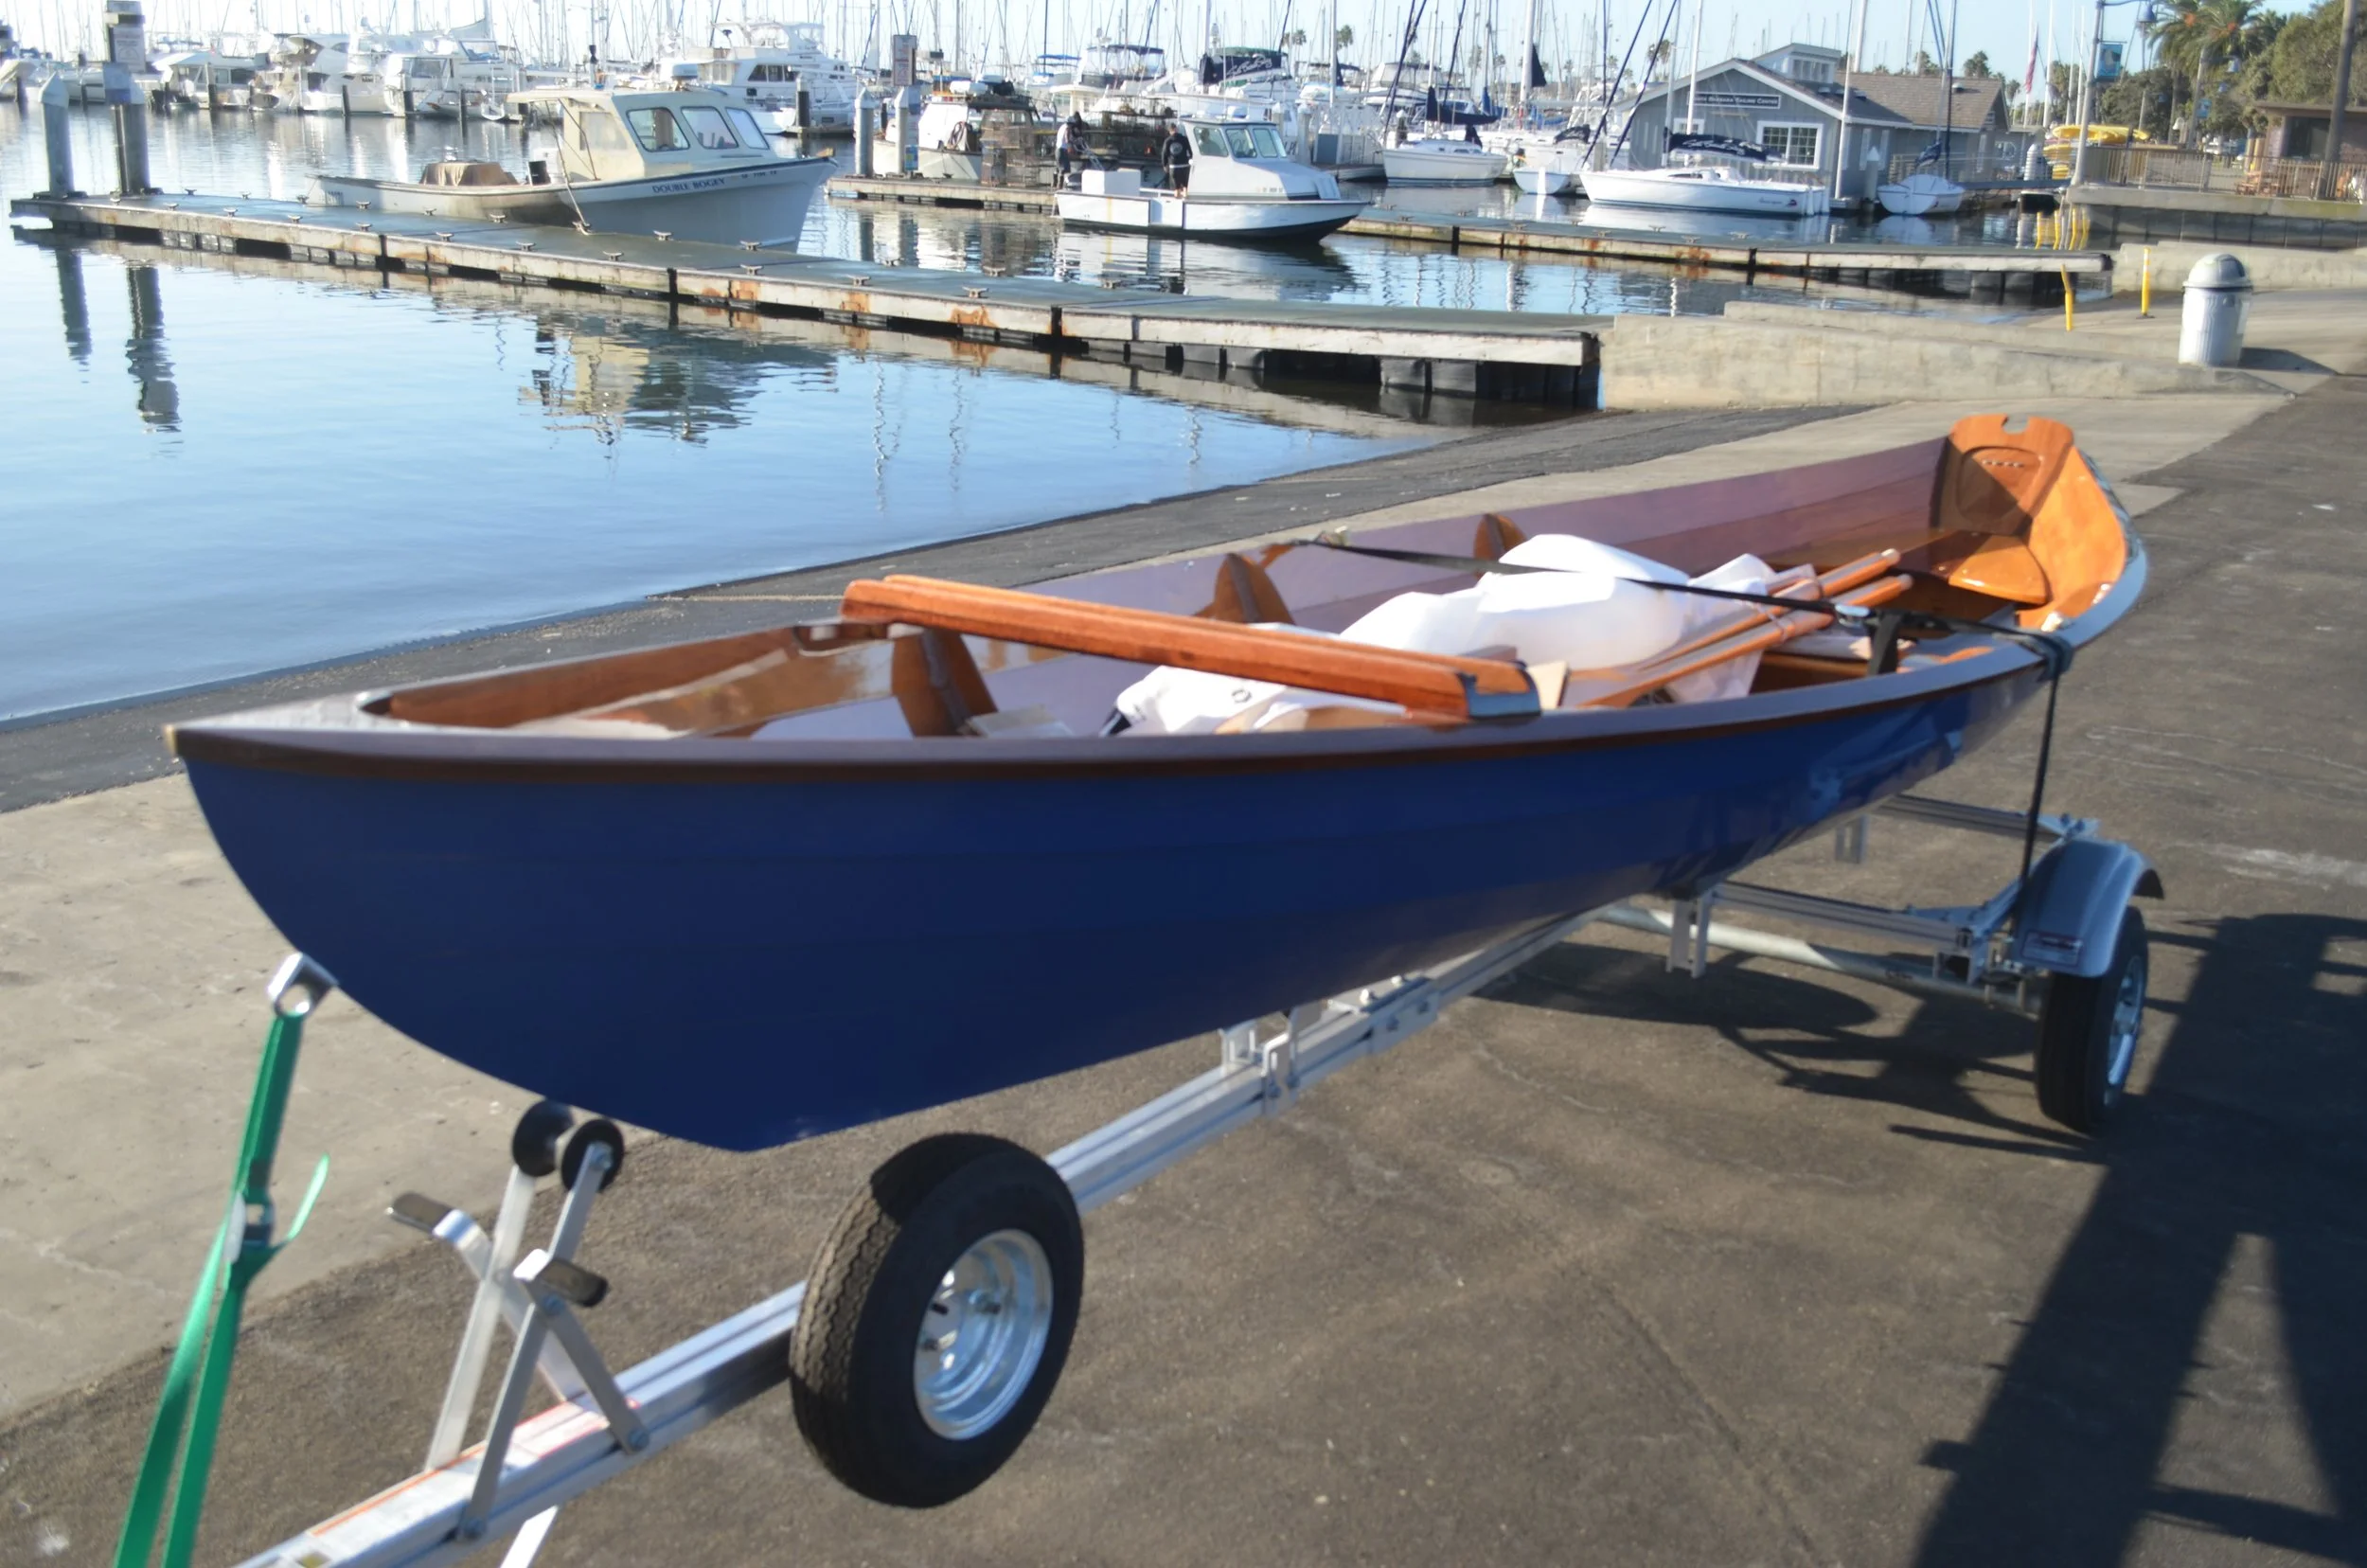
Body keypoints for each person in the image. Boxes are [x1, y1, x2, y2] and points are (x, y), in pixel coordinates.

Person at [1161, 120, 1192, 195]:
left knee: (1176, 188)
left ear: (1170, 131)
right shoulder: (1184, 139)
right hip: (1185, 166)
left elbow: (1164, 153)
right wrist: (1191, 159)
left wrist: (1164, 165)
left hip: (1174, 167)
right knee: (1185, 186)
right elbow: (1190, 151)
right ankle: (1186, 201)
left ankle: (1177, 201)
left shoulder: (1167, 141)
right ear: (1177, 129)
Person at [1057, 111, 1087, 186]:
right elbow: (1067, 139)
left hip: (1057, 149)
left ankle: (1057, 184)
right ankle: (1063, 185)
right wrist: (1074, 142)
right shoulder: (1067, 128)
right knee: (1065, 169)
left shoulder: (1062, 127)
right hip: (1063, 150)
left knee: (1059, 167)